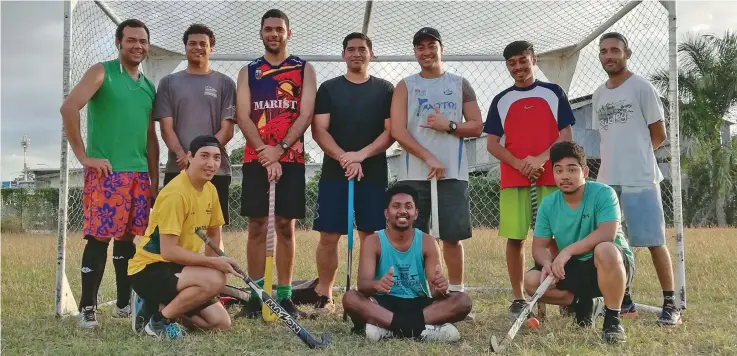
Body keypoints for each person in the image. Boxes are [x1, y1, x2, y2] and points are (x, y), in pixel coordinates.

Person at [59, 18, 159, 329]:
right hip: (108, 173)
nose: (137, 45)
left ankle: (122, 302)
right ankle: (88, 308)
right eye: (131, 40)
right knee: (99, 238)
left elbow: (150, 137)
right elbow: (69, 108)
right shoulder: (102, 72)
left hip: (138, 175)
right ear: (119, 42)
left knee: (128, 240)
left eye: (142, 41)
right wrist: (84, 157)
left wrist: (153, 180)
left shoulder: (147, 86)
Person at [389, 27, 483, 313]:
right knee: (412, 236)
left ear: (442, 48)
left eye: (431, 45)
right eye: (420, 47)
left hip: (452, 173)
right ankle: (413, 293)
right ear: (415, 51)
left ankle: (456, 294)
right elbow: (397, 130)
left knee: (452, 237)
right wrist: (428, 156)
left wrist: (450, 126)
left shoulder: (459, 83)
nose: (426, 52)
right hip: (414, 174)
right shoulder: (405, 85)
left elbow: (477, 125)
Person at [592, 32, 681, 326]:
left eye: (615, 50)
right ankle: (624, 300)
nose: (609, 56)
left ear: (627, 53)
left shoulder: (642, 87)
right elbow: (605, 137)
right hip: (608, 182)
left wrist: (636, 156)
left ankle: (671, 303)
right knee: (615, 243)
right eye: (604, 51)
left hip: (641, 179)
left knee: (654, 241)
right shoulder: (599, 94)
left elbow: (658, 135)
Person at [483, 40, 575, 319]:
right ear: (507, 66)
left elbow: (566, 135)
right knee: (515, 238)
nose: (518, 67)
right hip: (514, 179)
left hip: (550, 176)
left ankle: (560, 294)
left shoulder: (552, 92)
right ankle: (519, 297)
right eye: (512, 63)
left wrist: (541, 159)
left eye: (523, 60)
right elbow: (492, 144)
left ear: (533, 60)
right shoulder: (501, 100)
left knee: (554, 238)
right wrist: (520, 164)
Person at [235, 8, 317, 319]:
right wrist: (263, 151)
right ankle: (256, 295)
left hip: (291, 157)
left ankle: (284, 295)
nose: (273, 34)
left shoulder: (303, 68)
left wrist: (280, 149)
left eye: (279, 29)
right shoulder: (248, 71)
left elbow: (305, 113)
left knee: (285, 225)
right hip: (256, 156)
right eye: (268, 29)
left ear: (288, 33)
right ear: (261, 33)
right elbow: (243, 115)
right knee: (256, 226)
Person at [307, 32, 395, 316]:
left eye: (362, 49)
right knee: (329, 235)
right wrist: (345, 157)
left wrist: (361, 155)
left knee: (371, 235)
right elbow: (319, 129)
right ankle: (325, 293)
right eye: (351, 49)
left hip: (373, 172)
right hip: (336, 171)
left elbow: (390, 131)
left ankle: (367, 294)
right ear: (343, 55)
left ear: (371, 53)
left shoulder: (385, 89)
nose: (357, 53)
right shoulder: (329, 88)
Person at [128, 135, 239, 339]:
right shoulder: (176, 194)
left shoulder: (210, 189)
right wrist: (213, 268)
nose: (211, 164)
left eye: (216, 158)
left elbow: (214, 234)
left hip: (177, 268)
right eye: (204, 156)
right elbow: (168, 251)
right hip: (149, 269)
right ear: (190, 157)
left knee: (220, 322)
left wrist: (216, 263)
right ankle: (159, 322)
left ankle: (156, 307)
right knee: (216, 277)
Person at [523, 141, 633, 344]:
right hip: (574, 267)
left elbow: (608, 233)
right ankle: (583, 303)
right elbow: (539, 246)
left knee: (605, 249)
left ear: (585, 171)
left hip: (609, 264)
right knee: (531, 281)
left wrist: (567, 251)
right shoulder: (549, 204)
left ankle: (612, 321)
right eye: (559, 170)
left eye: (572, 170)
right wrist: (548, 264)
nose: (565, 176)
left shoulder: (604, 193)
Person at [342, 184, 472, 342]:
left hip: (419, 305)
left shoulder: (428, 242)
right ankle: (421, 330)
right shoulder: (373, 241)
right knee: (350, 298)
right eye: (396, 206)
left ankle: (389, 330)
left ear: (416, 213)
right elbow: (362, 285)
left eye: (408, 206)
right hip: (383, 304)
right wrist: (376, 285)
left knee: (462, 301)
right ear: (386, 213)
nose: (402, 211)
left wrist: (441, 287)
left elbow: (435, 291)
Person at [154, 24, 236, 227]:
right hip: (178, 167)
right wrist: (184, 156)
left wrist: (203, 158)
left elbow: (227, 130)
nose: (197, 47)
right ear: (185, 47)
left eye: (203, 44)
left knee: (213, 231)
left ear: (211, 48)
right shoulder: (168, 83)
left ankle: (215, 261)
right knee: (173, 229)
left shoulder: (225, 83)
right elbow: (166, 128)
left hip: (215, 170)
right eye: (192, 43)